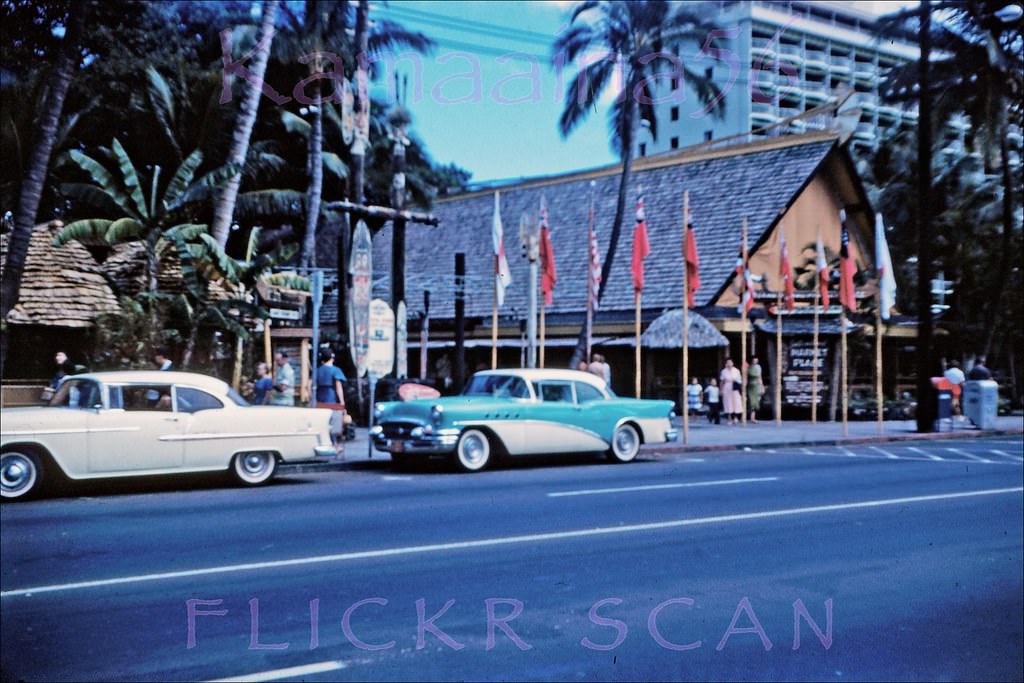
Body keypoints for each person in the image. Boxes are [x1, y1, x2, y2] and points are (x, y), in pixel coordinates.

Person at [720, 358, 743, 425]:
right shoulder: (723, 371)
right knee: (728, 402)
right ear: (726, 364)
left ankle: (736, 417)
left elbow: (740, 380)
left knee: (736, 401)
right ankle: (729, 418)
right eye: (728, 363)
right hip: (727, 387)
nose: (729, 364)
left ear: (733, 363)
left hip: (735, 387)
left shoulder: (736, 371)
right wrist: (721, 390)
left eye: (730, 362)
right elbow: (722, 381)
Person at [746, 356, 765, 424]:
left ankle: (753, 417)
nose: (755, 362)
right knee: (751, 401)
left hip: (757, 385)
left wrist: (762, 386)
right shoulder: (749, 367)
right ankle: (749, 416)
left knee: (756, 401)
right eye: (754, 360)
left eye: (756, 360)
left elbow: (760, 377)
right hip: (751, 385)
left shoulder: (758, 367)